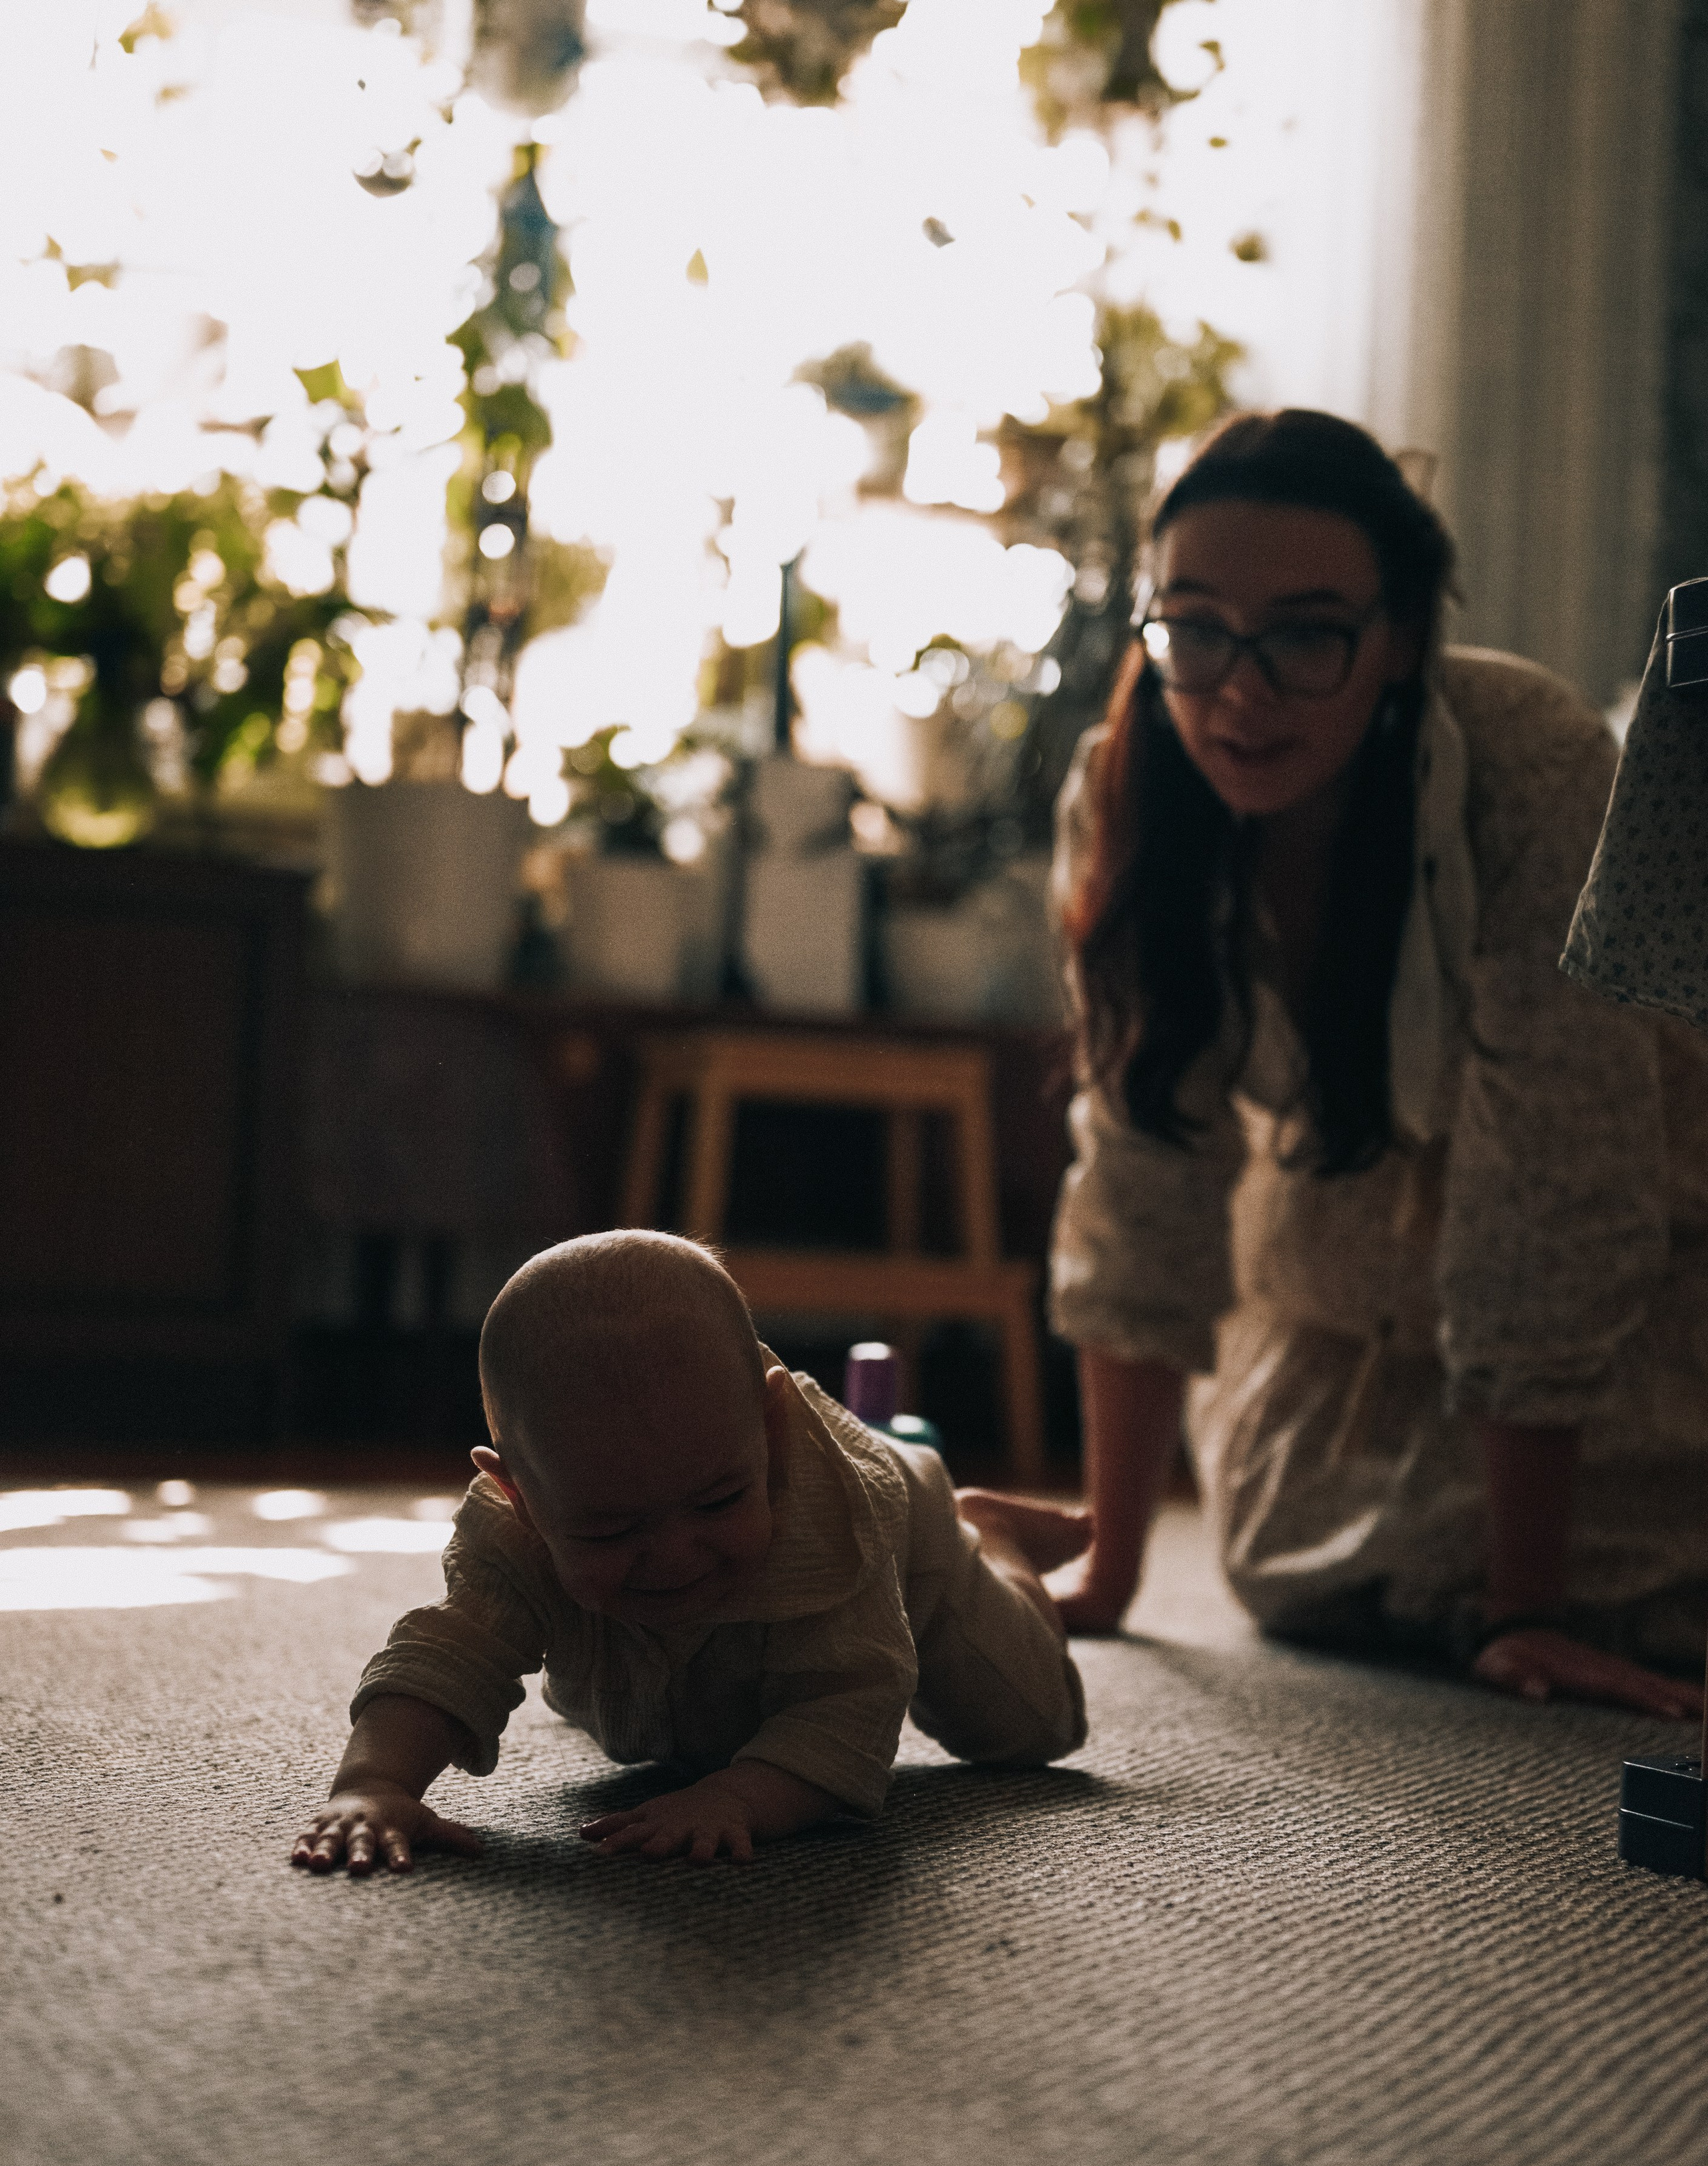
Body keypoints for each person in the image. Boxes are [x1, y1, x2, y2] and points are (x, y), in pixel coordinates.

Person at [1036, 408, 1708, 1720]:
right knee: (1293, 1563)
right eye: (1194, 627)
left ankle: (1520, 1575)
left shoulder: (1523, 758)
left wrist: (1523, 1608)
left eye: (1303, 634)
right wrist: (1108, 1570)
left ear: (1397, 637)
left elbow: (1556, 1175)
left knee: (1624, 1568)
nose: (1237, 689)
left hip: (1645, 1256)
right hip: (1351, 1290)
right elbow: (1139, 1162)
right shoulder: (1123, 783)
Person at [291, 1231, 1090, 1874]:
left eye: (716, 1501)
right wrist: (374, 1782)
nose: (674, 1556)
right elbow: (448, 1654)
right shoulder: (513, 1533)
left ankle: (996, 1538)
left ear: (772, 1431)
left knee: (1030, 1727)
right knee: (653, 1717)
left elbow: (853, 1702)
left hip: (914, 1540)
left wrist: (739, 1797)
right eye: (610, 1530)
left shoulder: (836, 1525)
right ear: (519, 1496)